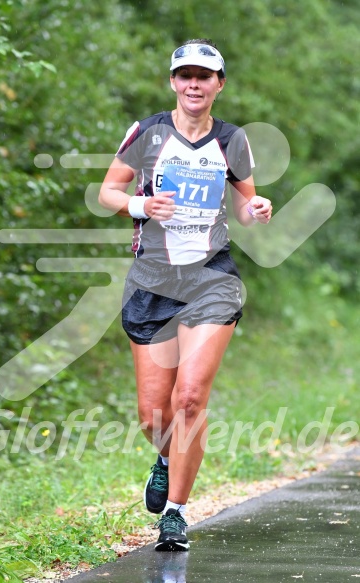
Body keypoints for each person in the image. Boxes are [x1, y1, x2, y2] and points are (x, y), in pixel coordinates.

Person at [99, 38, 272, 552]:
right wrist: (140, 206)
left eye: (204, 76)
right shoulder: (148, 132)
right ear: (173, 82)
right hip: (153, 281)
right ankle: (167, 455)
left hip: (211, 280)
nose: (193, 84)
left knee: (190, 398)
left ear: (219, 83)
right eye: (185, 76)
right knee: (155, 415)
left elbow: (245, 206)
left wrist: (257, 210)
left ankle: (174, 514)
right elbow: (107, 192)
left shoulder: (232, 140)